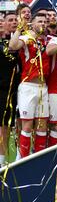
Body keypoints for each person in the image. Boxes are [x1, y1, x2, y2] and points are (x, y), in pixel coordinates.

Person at [9, 13, 50, 158]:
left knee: (42, 126)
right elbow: (12, 46)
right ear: (32, 24)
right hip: (28, 87)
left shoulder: (48, 41)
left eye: (45, 22)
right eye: (40, 21)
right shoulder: (27, 38)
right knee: (26, 126)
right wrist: (20, 29)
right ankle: (23, 160)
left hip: (43, 88)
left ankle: (39, 159)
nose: (43, 24)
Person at [0, 12, 20, 165]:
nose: (14, 22)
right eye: (10, 20)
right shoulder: (3, 44)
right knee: (4, 126)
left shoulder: (22, 41)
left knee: (22, 124)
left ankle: (23, 156)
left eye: (15, 20)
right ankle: (2, 161)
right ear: (4, 23)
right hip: (3, 90)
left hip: (22, 89)